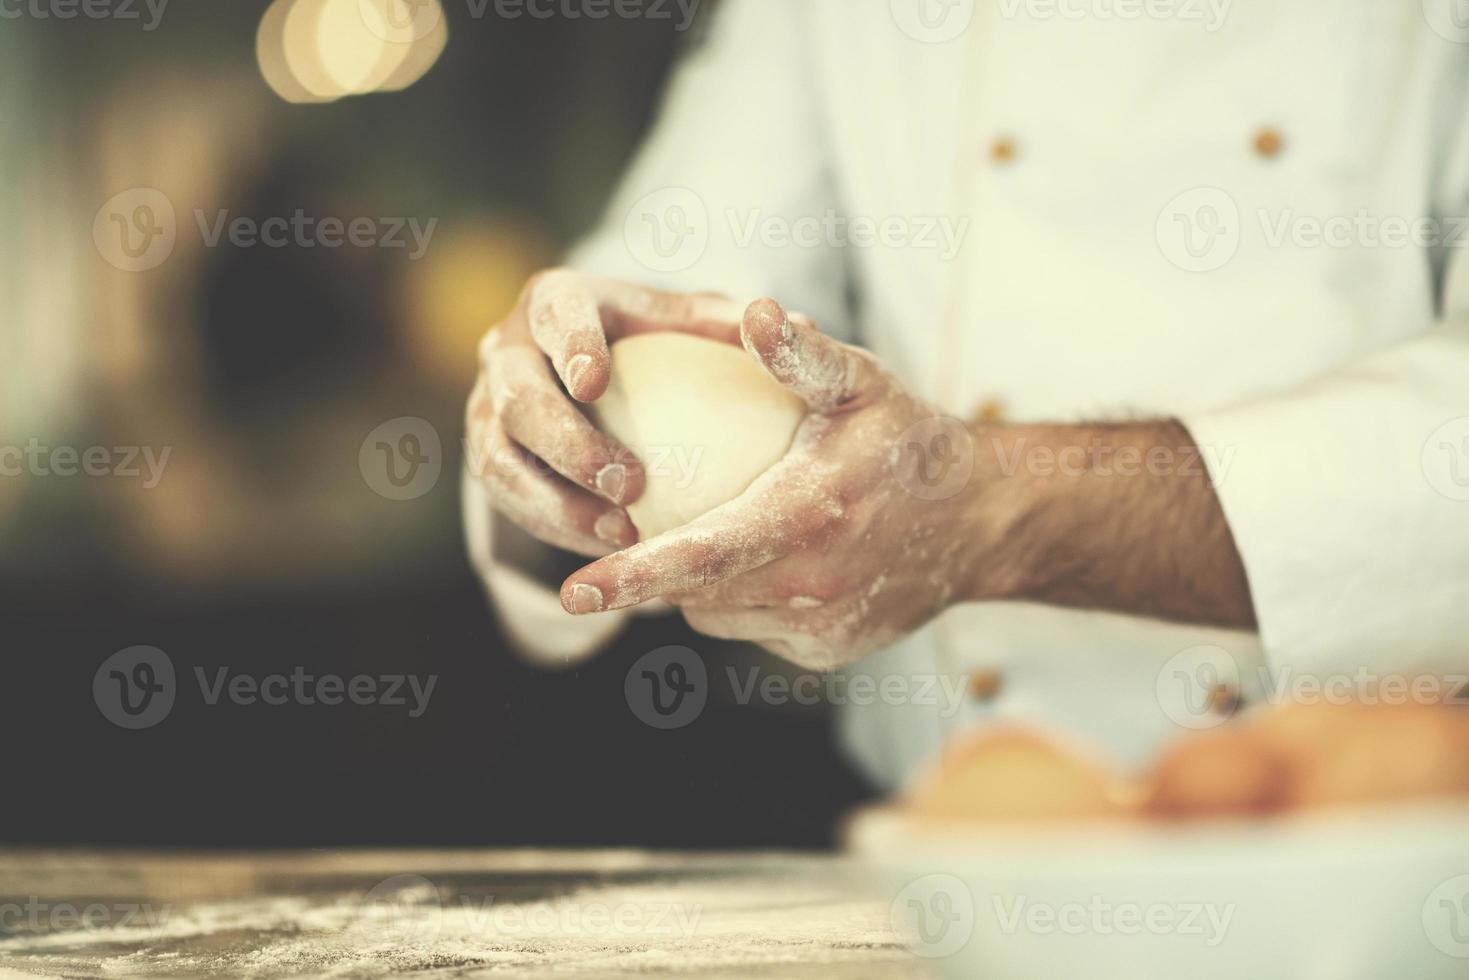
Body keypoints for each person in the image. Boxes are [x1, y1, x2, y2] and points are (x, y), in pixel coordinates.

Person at [463, 0, 1469, 791]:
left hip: (1362, 841)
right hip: (942, 867)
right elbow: (688, 274)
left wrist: (986, 509)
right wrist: (559, 412)